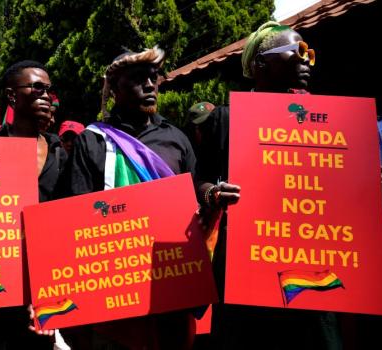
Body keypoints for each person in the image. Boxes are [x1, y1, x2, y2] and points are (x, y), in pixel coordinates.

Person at [59, 46, 239, 350]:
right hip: (113, 289)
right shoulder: (93, 141)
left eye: (153, 77)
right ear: (114, 88)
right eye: (138, 78)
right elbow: (75, 217)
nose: (149, 85)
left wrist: (211, 193)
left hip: (169, 283)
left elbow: (195, 186)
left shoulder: (176, 138)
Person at [196, 22, 345, 350]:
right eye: (297, 52)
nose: (306, 61)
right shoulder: (226, 120)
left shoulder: (326, 121)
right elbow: (200, 179)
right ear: (262, 63)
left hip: (312, 263)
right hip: (247, 266)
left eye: (309, 54)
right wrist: (214, 193)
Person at [0, 59, 68, 349]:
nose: (46, 96)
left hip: (46, 283)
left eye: (49, 90)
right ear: (11, 96)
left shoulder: (61, 153)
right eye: (37, 87)